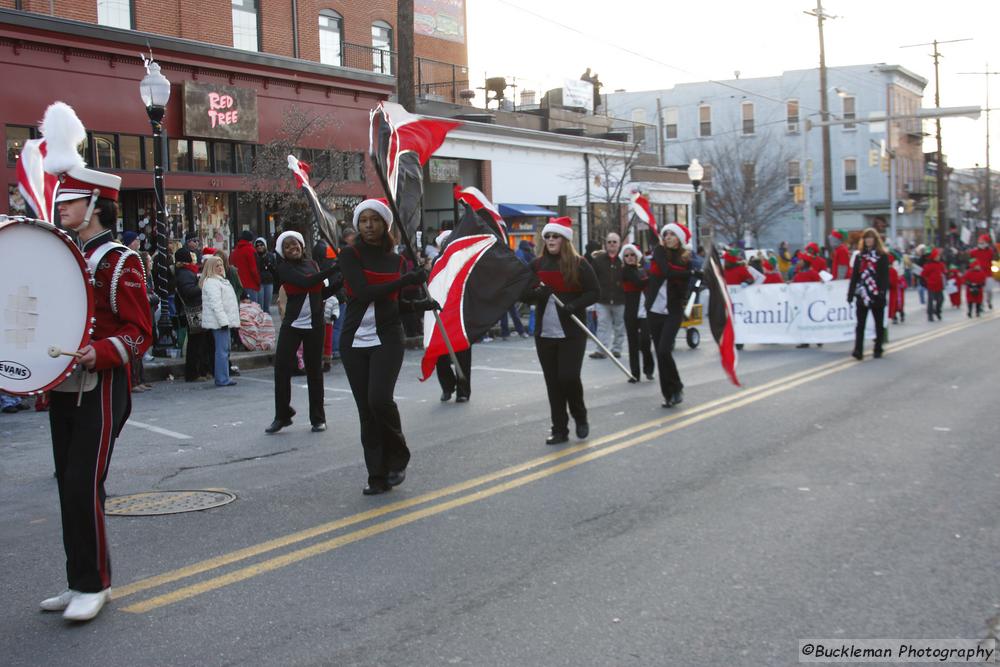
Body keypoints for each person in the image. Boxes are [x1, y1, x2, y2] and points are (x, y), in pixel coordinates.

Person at [39, 101, 152, 622]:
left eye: (70, 200)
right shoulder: (62, 255)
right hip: (62, 387)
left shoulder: (121, 261)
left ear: (97, 205)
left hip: (102, 387)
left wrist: (99, 353)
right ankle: (77, 577)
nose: (60, 207)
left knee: (84, 481)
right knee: (68, 483)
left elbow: (140, 333)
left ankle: (96, 582)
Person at [338, 198, 434, 494]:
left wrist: (421, 303)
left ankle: (397, 456)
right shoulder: (349, 255)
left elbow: (391, 304)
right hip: (354, 340)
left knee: (379, 399)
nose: (369, 225)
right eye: (363, 220)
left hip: (388, 338)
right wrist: (406, 280)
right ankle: (376, 476)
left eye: (375, 219)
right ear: (357, 224)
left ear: (385, 224)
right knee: (366, 411)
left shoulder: (396, 261)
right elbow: (365, 293)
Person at [523, 216, 599, 444]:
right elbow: (522, 294)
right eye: (547, 236)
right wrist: (538, 294)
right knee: (553, 383)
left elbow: (594, 292)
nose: (550, 239)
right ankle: (559, 429)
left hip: (572, 332)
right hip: (544, 334)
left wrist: (573, 306)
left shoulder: (579, 263)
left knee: (568, 377)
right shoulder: (536, 266)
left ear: (564, 239)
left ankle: (580, 415)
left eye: (555, 236)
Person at [267, 230, 340, 434]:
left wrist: (342, 279)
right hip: (293, 324)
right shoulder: (283, 269)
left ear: (302, 245)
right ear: (283, 251)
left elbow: (322, 292)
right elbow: (306, 282)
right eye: (288, 246)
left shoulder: (313, 265)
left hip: (315, 325)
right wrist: (334, 269)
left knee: (315, 371)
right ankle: (282, 415)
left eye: (296, 244)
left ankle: (318, 418)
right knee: (281, 368)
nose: (293, 248)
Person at [645, 221, 693, 408]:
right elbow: (667, 271)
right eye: (666, 234)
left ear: (679, 239)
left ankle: (677, 385)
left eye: (672, 234)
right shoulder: (659, 252)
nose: (668, 237)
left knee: (665, 350)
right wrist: (690, 273)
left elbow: (687, 282)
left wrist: (693, 274)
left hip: (673, 310)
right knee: (660, 352)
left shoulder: (685, 259)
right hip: (655, 309)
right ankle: (668, 394)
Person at [847, 228, 889, 360]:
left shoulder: (882, 256)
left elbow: (884, 276)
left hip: (876, 293)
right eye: (866, 238)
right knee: (860, 324)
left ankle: (878, 348)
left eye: (870, 238)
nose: (868, 240)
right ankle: (858, 350)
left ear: (875, 240)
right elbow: (855, 276)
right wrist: (850, 293)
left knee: (878, 323)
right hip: (862, 293)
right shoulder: (859, 257)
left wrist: (882, 291)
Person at [200, 255, 240, 386]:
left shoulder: (220, 281)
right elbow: (216, 304)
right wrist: (223, 322)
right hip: (219, 322)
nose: (220, 268)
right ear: (211, 267)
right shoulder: (212, 282)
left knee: (225, 350)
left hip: (223, 321)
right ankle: (222, 378)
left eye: (221, 265)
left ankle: (224, 377)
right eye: (216, 265)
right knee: (222, 351)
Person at [175, 245, 213, 382]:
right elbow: (188, 292)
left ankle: (201, 370)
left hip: (196, 309)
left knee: (200, 342)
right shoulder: (185, 273)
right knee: (196, 343)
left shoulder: (187, 272)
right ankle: (194, 372)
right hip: (194, 310)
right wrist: (201, 285)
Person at [620, 243, 654, 382]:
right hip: (631, 312)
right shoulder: (625, 271)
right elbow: (639, 283)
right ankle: (635, 374)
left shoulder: (642, 270)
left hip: (644, 311)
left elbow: (646, 284)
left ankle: (649, 369)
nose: (629, 257)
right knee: (632, 343)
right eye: (626, 255)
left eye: (632, 254)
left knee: (645, 341)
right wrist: (654, 276)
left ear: (637, 256)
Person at [589, 232, 626, 359]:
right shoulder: (598, 260)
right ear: (606, 244)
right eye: (609, 242)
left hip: (620, 299)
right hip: (602, 299)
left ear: (619, 244)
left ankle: (617, 349)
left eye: (614, 242)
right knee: (602, 325)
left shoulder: (624, 260)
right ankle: (601, 350)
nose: (612, 244)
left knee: (619, 326)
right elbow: (592, 278)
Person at [230, 229, 261, 305]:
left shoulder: (234, 252)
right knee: (252, 311)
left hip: (237, 285)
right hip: (250, 284)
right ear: (251, 240)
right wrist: (258, 282)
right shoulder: (251, 250)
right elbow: (253, 269)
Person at [969, 234, 996, 310]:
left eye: (983, 242)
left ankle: (989, 301)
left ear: (986, 243)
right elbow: (970, 260)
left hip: (988, 274)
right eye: (980, 242)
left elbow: (994, 259)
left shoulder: (990, 251)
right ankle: (981, 304)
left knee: (989, 290)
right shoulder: (974, 252)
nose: (981, 244)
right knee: (981, 291)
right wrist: (972, 267)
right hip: (979, 274)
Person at [921, 248, 946, 321]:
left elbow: (944, 273)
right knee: (930, 301)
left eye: (938, 256)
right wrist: (927, 281)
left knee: (941, 300)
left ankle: (937, 311)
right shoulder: (929, 265)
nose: (938, 257)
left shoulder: (941, 264)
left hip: (939, 285)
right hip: (931, 285)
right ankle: (930, 314)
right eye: (937, 256)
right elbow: (924, 274)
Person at [254, 237, 276, 313]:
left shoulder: (270, 256)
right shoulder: (255, 256)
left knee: (267, 303)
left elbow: (274, 269)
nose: (259, 247)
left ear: (265, 246)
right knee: (260, 304)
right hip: (259, 282)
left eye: (261, 245)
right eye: (257, 245)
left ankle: (267, 320)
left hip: (269, 281)